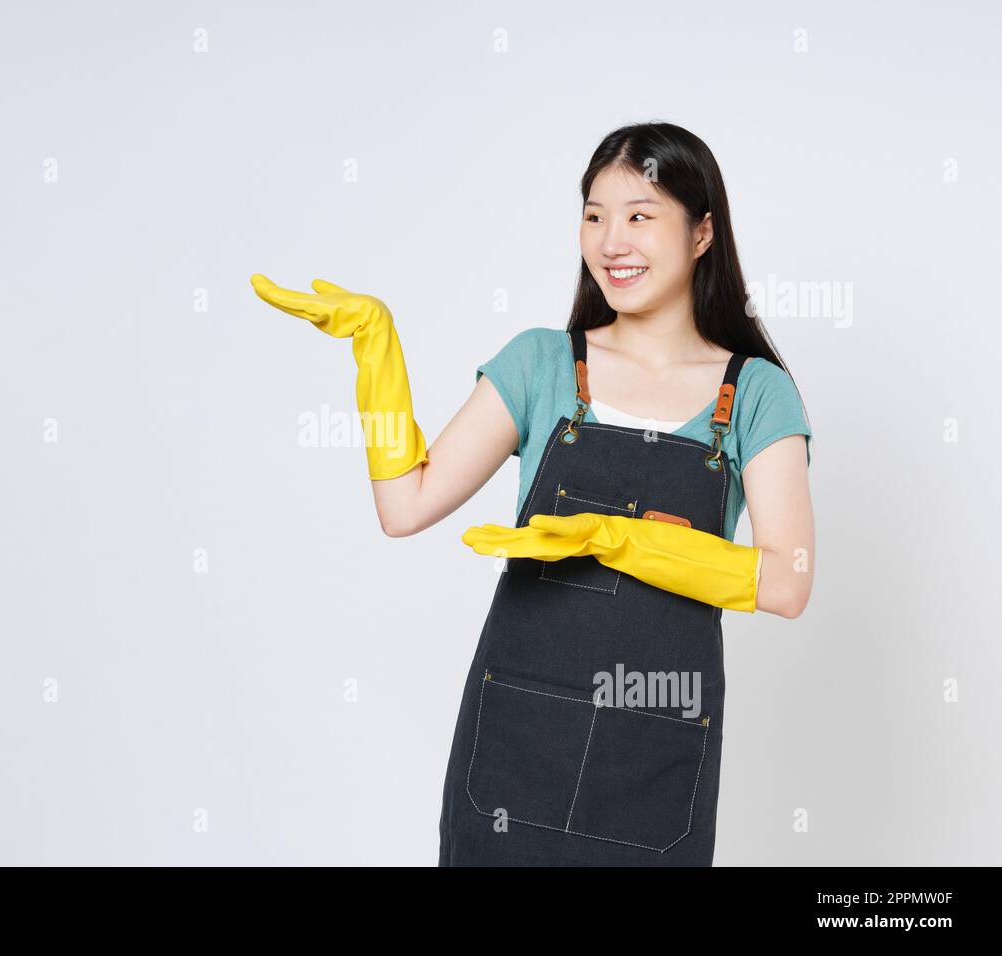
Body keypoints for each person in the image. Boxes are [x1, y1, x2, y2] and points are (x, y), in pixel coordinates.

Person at [250, 121, 814, 866]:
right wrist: (375, 350)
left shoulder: (754, 393)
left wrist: (618, 538)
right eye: (593, 215)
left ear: (702, 232)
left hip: (654, 749)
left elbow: (787, 581)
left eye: (640, 216)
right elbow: (405, 505)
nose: (612, 240)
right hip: (514, 744)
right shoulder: (541, 363)